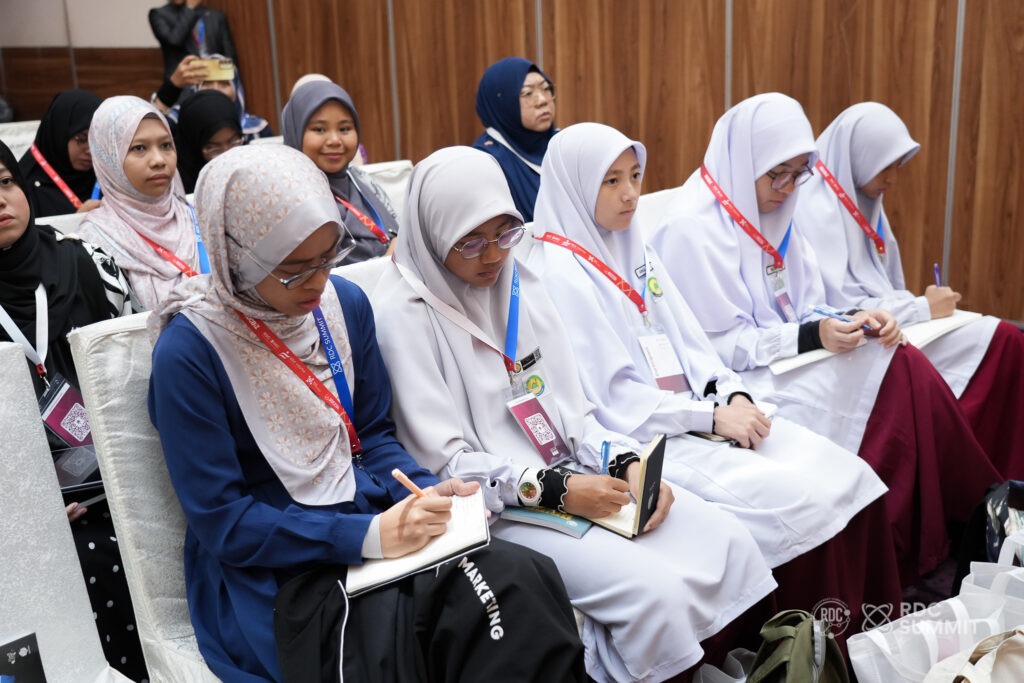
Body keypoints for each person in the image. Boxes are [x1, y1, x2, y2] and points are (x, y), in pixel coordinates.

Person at [147, 143, 588, 682]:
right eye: (293, 271)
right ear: (235, 256)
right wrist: (366, 537)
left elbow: (373, 436)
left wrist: (425, 490)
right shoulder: (191, 353)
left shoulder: (343, 304)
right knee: (479, 613)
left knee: (525, 578)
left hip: (372, 520)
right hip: (283, 572)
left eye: (328, 257)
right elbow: (224, 521)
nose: (317, 282)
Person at [371, 145, 777, 682]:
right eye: (470, 241)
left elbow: (576, 415)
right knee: (653, 592)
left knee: (725, 539)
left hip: (571, 475)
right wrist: (560, 491)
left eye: (505, 233)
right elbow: (446, 465)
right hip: (500, 509)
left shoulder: (520, 284)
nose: (492, 255)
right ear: (431, 237)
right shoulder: (402, 316)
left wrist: (628, 464)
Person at [528, 122, 902, 646]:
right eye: (611, 181)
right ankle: (807, 648)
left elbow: (693, 344)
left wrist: (733, 394)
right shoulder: (557, 273)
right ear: (575, 185)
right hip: (650, 436)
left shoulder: (632, 246)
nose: (631, 194)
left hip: (699, 414)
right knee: (799, 503)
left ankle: (867, 641)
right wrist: (710, 416)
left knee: (847, 475)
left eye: (634, 176)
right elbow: (614, 401)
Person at [649, 93, 1004, 585]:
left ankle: (957, 516)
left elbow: (808, 305)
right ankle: (965, 517)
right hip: (741, 383)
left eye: (798, 174)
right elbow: (717, 350)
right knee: (895, 371)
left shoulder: (776, 212)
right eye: (777, 174)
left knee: (891, 354)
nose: (787, 188)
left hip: (789, 358)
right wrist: (809, 336)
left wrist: (855, 319)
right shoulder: (690, 229)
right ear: (744, 161)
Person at [795, 101, 1024, 478]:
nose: (893, 178)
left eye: (897, 166)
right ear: (859, 156)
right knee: (916, 366)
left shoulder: (865, 199)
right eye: (885, 166)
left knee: (1005, 339)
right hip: (847, 342)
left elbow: (883, 284)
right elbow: (837, 307)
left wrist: (919, 307)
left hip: (893, 323)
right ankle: (962, 477)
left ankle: (1004, 478)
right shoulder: (811, 207)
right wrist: (921, 308)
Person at [0, 139, 145, 681]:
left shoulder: (87, 263)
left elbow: (140, 376)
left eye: (5, 182)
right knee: (79, 565)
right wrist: (24, 518)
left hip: (122, 487)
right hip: (22, 522)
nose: (0, 200)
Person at [77, 96, 205, 310]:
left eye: (166, 145)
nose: (159, 160)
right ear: (109, 158)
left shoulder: (198, 218)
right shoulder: (95, 241)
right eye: (139, 148)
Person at [282, 80, 398, 263]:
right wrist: (389, 259)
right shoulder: (289, 198)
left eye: (344, 129)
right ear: (295, 132)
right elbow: (315, 271)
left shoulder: (360, 179)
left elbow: (397, 230)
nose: (335, 140)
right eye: (319, 129)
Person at [472, 56, 557, 222]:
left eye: (546, 88)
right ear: (502, 102)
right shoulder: (486, 161)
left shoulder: (562, 144)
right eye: (527, 93)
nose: (543, 100)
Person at [17, 89, 102, 217]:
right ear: (59, 135)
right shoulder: (22, 187)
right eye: (82, 139)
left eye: (97, 139)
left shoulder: (107, 174)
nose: (90, 150)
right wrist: (74, 221)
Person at [148, 0, 236, 87]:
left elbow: (229, 53)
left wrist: (229, 82)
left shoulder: (216, 15)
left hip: (215, 79)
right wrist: (189, 8)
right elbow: (175, 40)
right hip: (182, 84)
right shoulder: (158, 14)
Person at [173, 89, 243, 193]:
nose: (226, 155)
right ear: (193, 146)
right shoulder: (174, 182)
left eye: (233, 142)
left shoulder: (249, 168)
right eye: (213, 148)